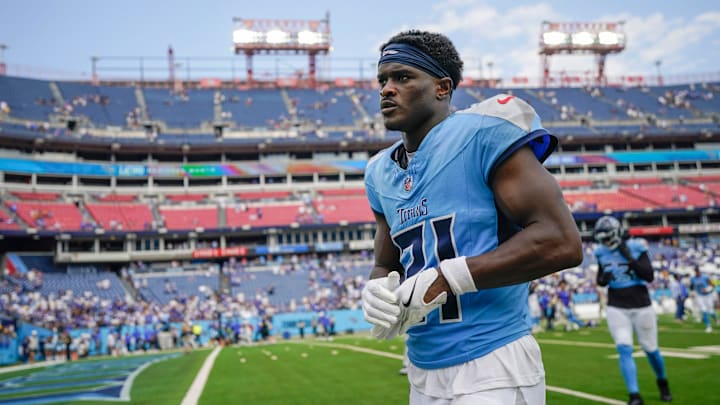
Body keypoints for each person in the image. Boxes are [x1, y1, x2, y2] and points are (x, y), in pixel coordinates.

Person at [361, 30, 582, 405]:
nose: (386, 89)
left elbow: (561, 241)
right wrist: (377, 291)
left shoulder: (485, 133)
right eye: (383, 80)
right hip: (421, 369)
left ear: (442, 87)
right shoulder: (379, 172)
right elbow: (386, 263)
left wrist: (450, 277)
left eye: (402, 77)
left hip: (492, 360)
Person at [593, 215, 672, 405]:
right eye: (602, 238)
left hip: (641, 304)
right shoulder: (600, 252)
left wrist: (627, 255)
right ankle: (634, 395)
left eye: (607, 237)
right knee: (624, 348)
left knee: (651, 349)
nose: (605, 242)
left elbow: (649, 276)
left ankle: (662, 382)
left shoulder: (637, 246)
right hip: (616, 305)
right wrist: (605, 276)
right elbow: (600, 281)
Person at [690, 266, 716, 332]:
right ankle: (708, 326)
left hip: (708, 296)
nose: (697, 272)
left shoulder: (705, 277)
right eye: (695, 271)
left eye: (697, 271)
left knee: (711, 311)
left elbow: (713, 285)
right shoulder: (693, 279)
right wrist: (692, 292)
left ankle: (716, 319)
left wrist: (708, 289)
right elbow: (692, 286)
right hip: (700, 296)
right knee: (704, 310)